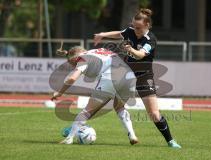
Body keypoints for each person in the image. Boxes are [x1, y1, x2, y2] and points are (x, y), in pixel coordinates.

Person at [94, 8, 181, 148]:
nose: (135, 30)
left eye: (138, 27)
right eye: (134, 26)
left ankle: (171, 141)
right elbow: (120, 33)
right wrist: (102, 34)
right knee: (108, 102)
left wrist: (130, 50)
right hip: (127, 75)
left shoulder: (150, 39)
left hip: (143, 77)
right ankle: (79, 125)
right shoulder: (130, 30)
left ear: (147, 25)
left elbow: (140, 55)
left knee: (153, 113)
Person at [51, 46, 138, 145]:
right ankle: (132, 135)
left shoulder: (82, 58)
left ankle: (69, 138)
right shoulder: (98, 50)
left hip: (110, 78)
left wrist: (60, 92)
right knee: (119, 107)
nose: (74, 65)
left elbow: (71, 78)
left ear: (74, 58)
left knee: (87, 111)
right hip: (129, 77)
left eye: (72, 63)